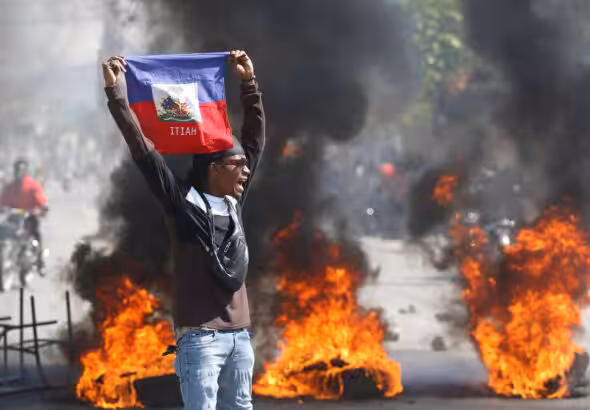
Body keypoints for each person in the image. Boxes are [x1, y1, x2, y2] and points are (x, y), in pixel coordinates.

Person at [102, 50, 264, 410]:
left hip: (240, 338)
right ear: (213, 168)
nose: (246, 170)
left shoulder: (234, 202)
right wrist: (116, 94)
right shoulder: (182, 201)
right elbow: (143, 150)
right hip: (200, 341)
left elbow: (255, 142)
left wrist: (248, 84)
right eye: (237, 164)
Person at [0, 158, 49, 274]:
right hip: (13, 218)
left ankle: (40, 261)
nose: (19, 172)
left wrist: (41, 209)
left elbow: (41, 202)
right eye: (17, 169)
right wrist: (3, 208)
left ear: (25, 170)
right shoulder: (9, 187)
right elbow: (3, 201)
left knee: (36, 236)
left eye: (21, 169)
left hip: (29, 218)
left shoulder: (33, 186)